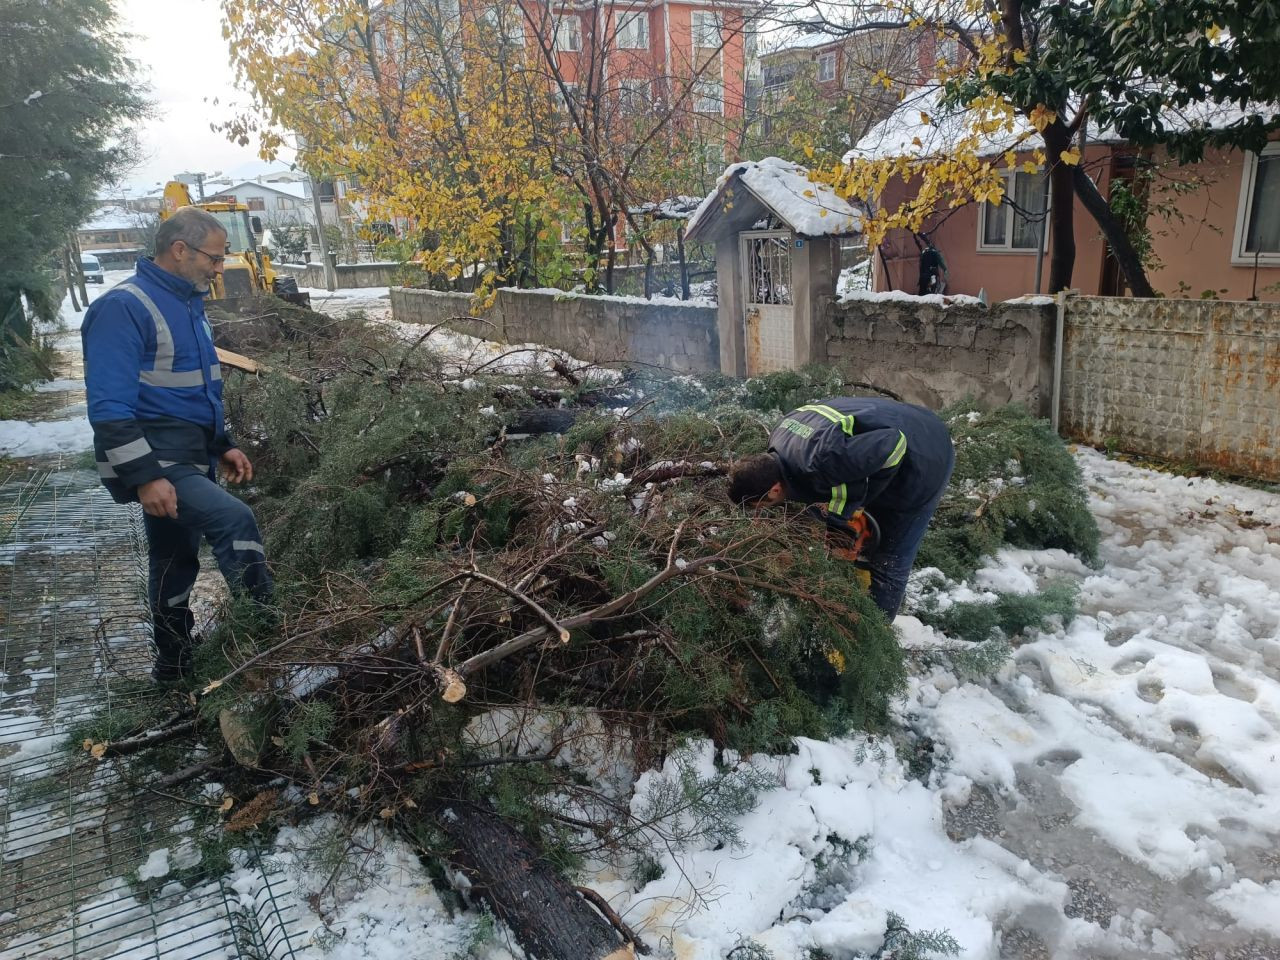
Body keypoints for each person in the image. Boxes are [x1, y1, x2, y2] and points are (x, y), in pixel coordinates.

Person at [82, 207, 272, 683]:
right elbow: (108, 408)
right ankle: (272, 641)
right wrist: (146, 476)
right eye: (214, 256)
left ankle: (172, 663)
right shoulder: (123, 308)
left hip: (189, 454)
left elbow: (195, 389)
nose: (219, 267)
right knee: (235, 519)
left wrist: (222, 444)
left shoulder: (187, 303)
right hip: (158, 458)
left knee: (173, 558)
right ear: (179, 250)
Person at [728, 397, 954, 620]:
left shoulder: (823, 460)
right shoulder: (780, 439)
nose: (766, 509)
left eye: (762, 505)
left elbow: (894, 445)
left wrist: (859, 505)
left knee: (889, 558)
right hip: (889, 426)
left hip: (924, 455)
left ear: (775, 490)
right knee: (853, 529)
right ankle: (857, 592)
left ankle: (873, 638)